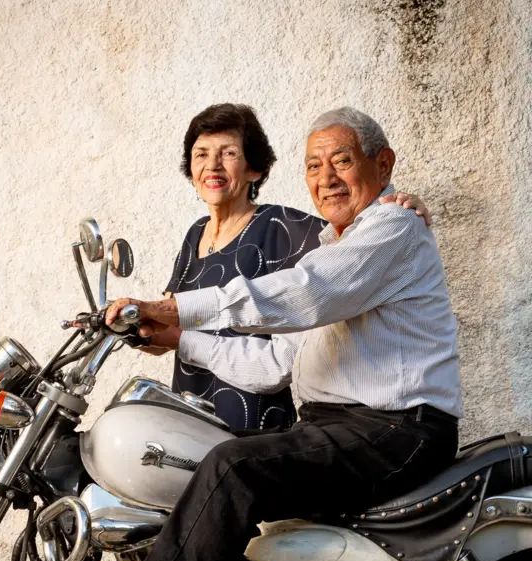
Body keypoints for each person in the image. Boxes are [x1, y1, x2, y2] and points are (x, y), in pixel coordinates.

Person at [73, 107, 462, 561]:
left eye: (342, 160)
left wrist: (177, 308)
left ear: (383, 166)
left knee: (233, 467)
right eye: (314, 165)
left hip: (398, 428)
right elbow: (274, 362)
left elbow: (305, 294)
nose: (326, 177)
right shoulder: (333, 247)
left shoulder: (392, 230)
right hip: (347, 427)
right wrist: (184, 340)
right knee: (224, 458)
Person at [145, 103, 430, 431]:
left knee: (231, 469)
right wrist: (143, 329)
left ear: (254, 168)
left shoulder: (286, 227)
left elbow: (338, 260)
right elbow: (170, 321)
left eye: (228, 154)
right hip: (192, 401)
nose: (212, 166)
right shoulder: (194, 234)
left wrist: (393, 201)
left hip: (254, 413)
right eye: (201, 154)